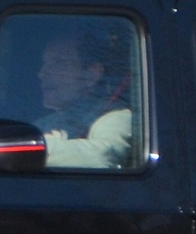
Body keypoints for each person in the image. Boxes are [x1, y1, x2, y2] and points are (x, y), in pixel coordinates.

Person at [35, 25, 135, 170]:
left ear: (92, 74)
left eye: (59, 63)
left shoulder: (116, 117)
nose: (42, 73)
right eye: (45, 63)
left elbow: (103, 157)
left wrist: (35, 148)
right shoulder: (45, 123)